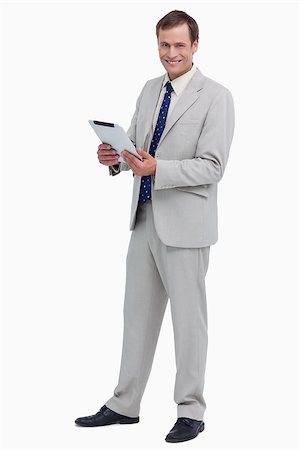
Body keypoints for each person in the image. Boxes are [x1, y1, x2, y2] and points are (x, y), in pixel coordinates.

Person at [75, 9, 235, 443]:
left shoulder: (216, 97)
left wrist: (157, 169)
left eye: (180, 45)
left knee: (189, 322)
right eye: (165, 45)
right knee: (136, 318)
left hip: (187, 226)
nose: (171, 53)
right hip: (143, 220)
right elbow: (135, 148)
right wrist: (115, 159)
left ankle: (191, 410)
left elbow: (213, 166)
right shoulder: (149, 90)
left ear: (195, 46)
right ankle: (125, 404)